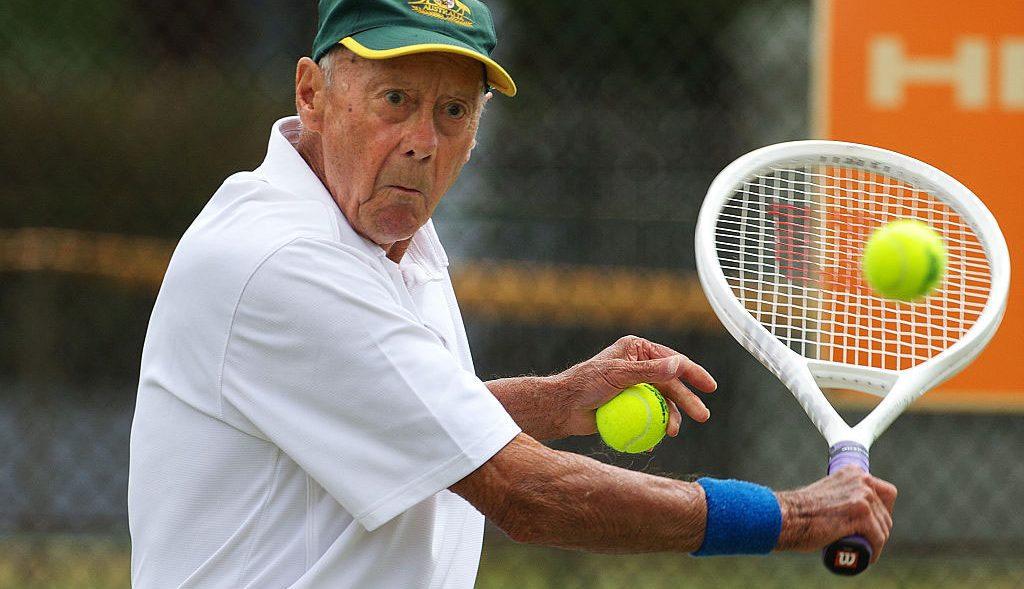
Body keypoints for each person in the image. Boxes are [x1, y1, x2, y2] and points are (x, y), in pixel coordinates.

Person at [127, 0, 897, 587]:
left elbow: (410, 418)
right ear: (313, 94)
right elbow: (522, 492)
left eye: (453, 111)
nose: (424, 139)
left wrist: (556, 400)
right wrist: (789, 515)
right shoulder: (282, 260)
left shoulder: (395, 239)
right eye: (395, 98)